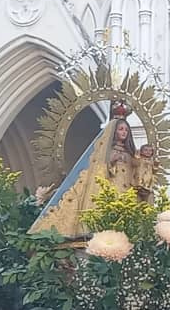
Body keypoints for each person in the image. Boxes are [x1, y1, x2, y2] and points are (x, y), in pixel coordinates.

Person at [30, 101, 156, 238]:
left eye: (126, 130)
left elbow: (137, 172)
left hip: (127, 192)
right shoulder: (104, 152)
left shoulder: (132, 154)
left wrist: (145, 168)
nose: (124, 132)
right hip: (109, 189)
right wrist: (111, 162)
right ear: (113, 131)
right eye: (121, 129)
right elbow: (97, 171)